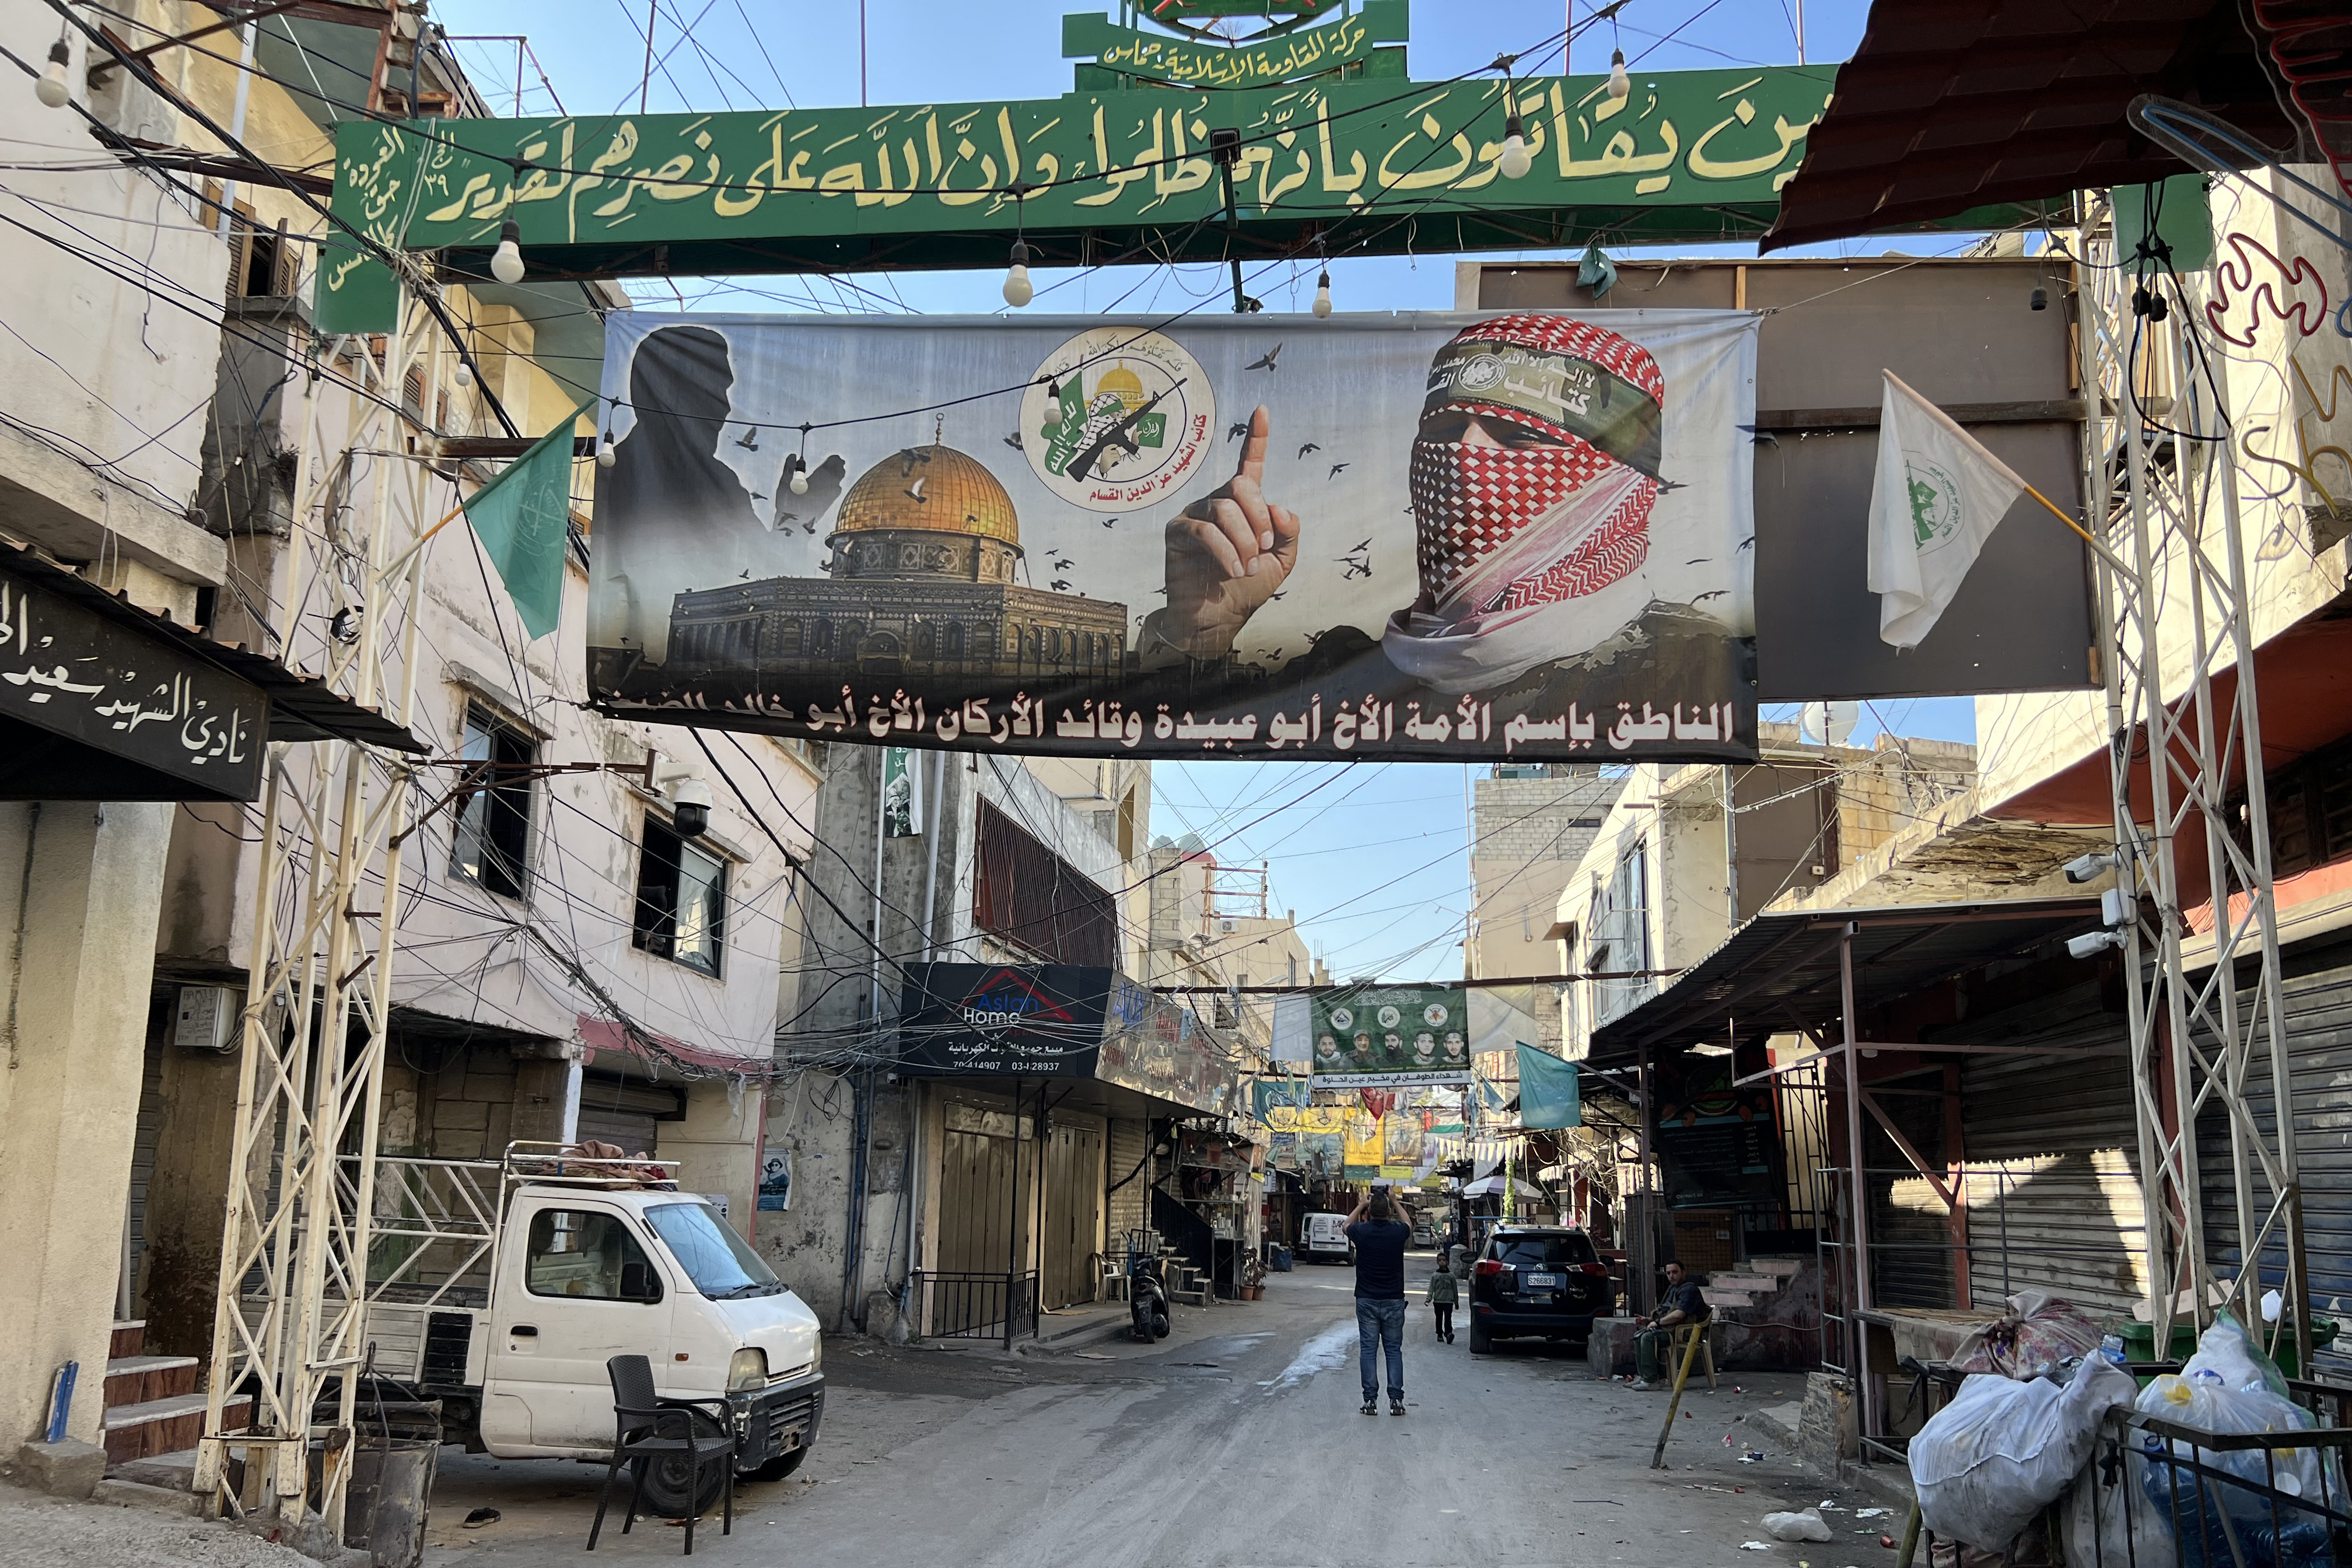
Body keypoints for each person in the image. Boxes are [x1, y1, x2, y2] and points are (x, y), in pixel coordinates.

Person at [1138, 315, 1674, 694]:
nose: (1462, 455)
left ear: (1617, 478)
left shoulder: (1682, 666)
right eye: (1443, 428)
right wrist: (1197, 632)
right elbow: (1178, 730)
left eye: (1516, 436)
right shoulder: (1345, 673)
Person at [1345, 1186, 1413, 1416]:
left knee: (1368, 1351)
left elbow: (1345, 1225)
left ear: (1370, 1212)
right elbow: (1409, 1225)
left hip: (1367, 1300)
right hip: (1394, 1299)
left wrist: (1362, 1204)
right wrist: (1395, 1201)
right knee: (1393, 1351)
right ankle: (1396, 1401)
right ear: (1389, 1212)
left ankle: (1370, 1401)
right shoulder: (1397, 1232)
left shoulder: (1361, 1232)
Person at [1632, 1259, 1709, 1390]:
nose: (1671, 1276)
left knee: (1648, 1338)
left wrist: (1657, 1323)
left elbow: (1679, 1314)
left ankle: (1651, 1382)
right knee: (1639, 1335)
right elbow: (1667, 1311)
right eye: (1668, 1273)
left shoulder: (1689, 1290)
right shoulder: (1673, 1289)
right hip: (1671, 1329)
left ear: (1683, 1273)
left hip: (1684, 1332)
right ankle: (1645, 1375)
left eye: (1675, 1272)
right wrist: (1648, 1319)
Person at [1426, 1255, 1458, 1344]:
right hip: (1438, 1301)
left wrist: (1456, 1301)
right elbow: (1431, 1288)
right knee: (1439, 1318)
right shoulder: (1435, 1276)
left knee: (1448, 1318)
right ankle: (1440, 1333)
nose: (1442, 1262)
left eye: (1444, 1260)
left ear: (1447, 1262)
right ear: (1437, 1262)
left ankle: (1448, 1333)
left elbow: (1455, 1289)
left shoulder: (1451, 1276)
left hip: (1448, 1301)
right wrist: (1428, 1299)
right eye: (1440, 1260)